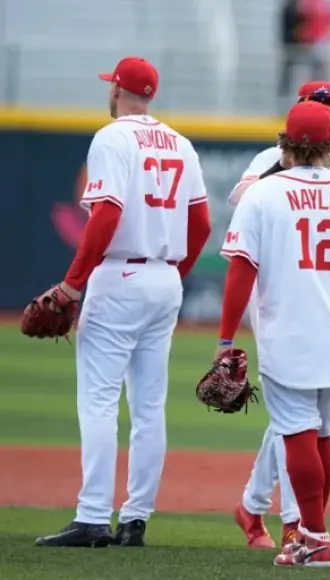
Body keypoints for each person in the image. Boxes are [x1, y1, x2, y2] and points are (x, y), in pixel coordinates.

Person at [33, 57, 212, 548]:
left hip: (120, 276)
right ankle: (135, 520)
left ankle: (92, 516)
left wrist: (72, 284)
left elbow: (106, 214)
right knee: (149, 406)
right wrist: (171, 278)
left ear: (116, 89)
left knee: (98, 399)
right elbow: (201, 227)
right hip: (164, 281)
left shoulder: (111, 138)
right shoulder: (181, 143)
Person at [217, 100, 330, 567]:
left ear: (286, 146)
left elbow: (241, 270)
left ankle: (314, 539)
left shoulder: (264, 193)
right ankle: (311, 534)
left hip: (287, 332)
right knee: (323, 437)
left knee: (296, 433)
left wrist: (224, 340)